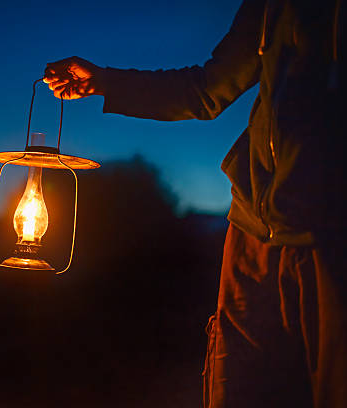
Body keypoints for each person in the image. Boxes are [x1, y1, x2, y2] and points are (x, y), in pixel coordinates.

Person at [43, 1, 347, 407]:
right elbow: (207, 90)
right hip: (253, 229)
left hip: (332, 238)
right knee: (238, 387)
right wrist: (104, 82)